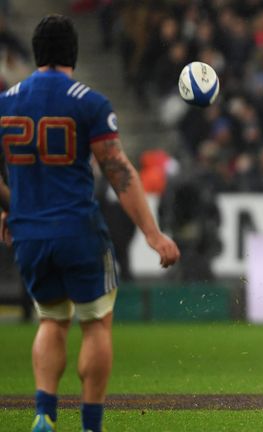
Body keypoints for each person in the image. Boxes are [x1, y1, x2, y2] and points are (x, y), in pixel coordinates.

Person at [0, 15, 180, 432]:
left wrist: (8, 210)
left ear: (36, 53)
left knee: (51, 320)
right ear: (74, 54)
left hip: (29, 234)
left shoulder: (7, 101)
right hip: (78, 229)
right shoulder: (88, 102)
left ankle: (44, 413)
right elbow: (119, 171)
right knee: (96, 323)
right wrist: (152, 234)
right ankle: (91, 423)